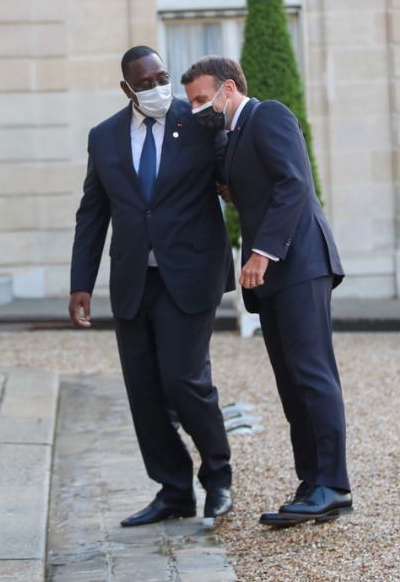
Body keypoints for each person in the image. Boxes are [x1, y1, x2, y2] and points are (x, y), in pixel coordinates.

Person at [181, 55, 351, 527]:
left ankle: (333, 486)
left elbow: (294, 182)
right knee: (290, 382)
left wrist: (261, 253)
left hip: (299, 263)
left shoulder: (269, 114)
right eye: (191, 101)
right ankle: (312, 482)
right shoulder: (233, 135)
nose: (196, 108)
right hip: (276, 274)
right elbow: (258, 186)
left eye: (201, 98)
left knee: (312, 374)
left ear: (228, 89)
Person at [69, 46, 235, 527]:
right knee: (143, 389)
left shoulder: (200, 122)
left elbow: (233, 175)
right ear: (127, 88)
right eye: (145, 83)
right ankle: (174, 490)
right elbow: (92, 213)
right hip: (133, 280)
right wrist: (81, 282)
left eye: (162, 77)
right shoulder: (103, 136)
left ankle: (218, 478)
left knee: (185, 380)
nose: (157, 88)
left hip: (191, 275)